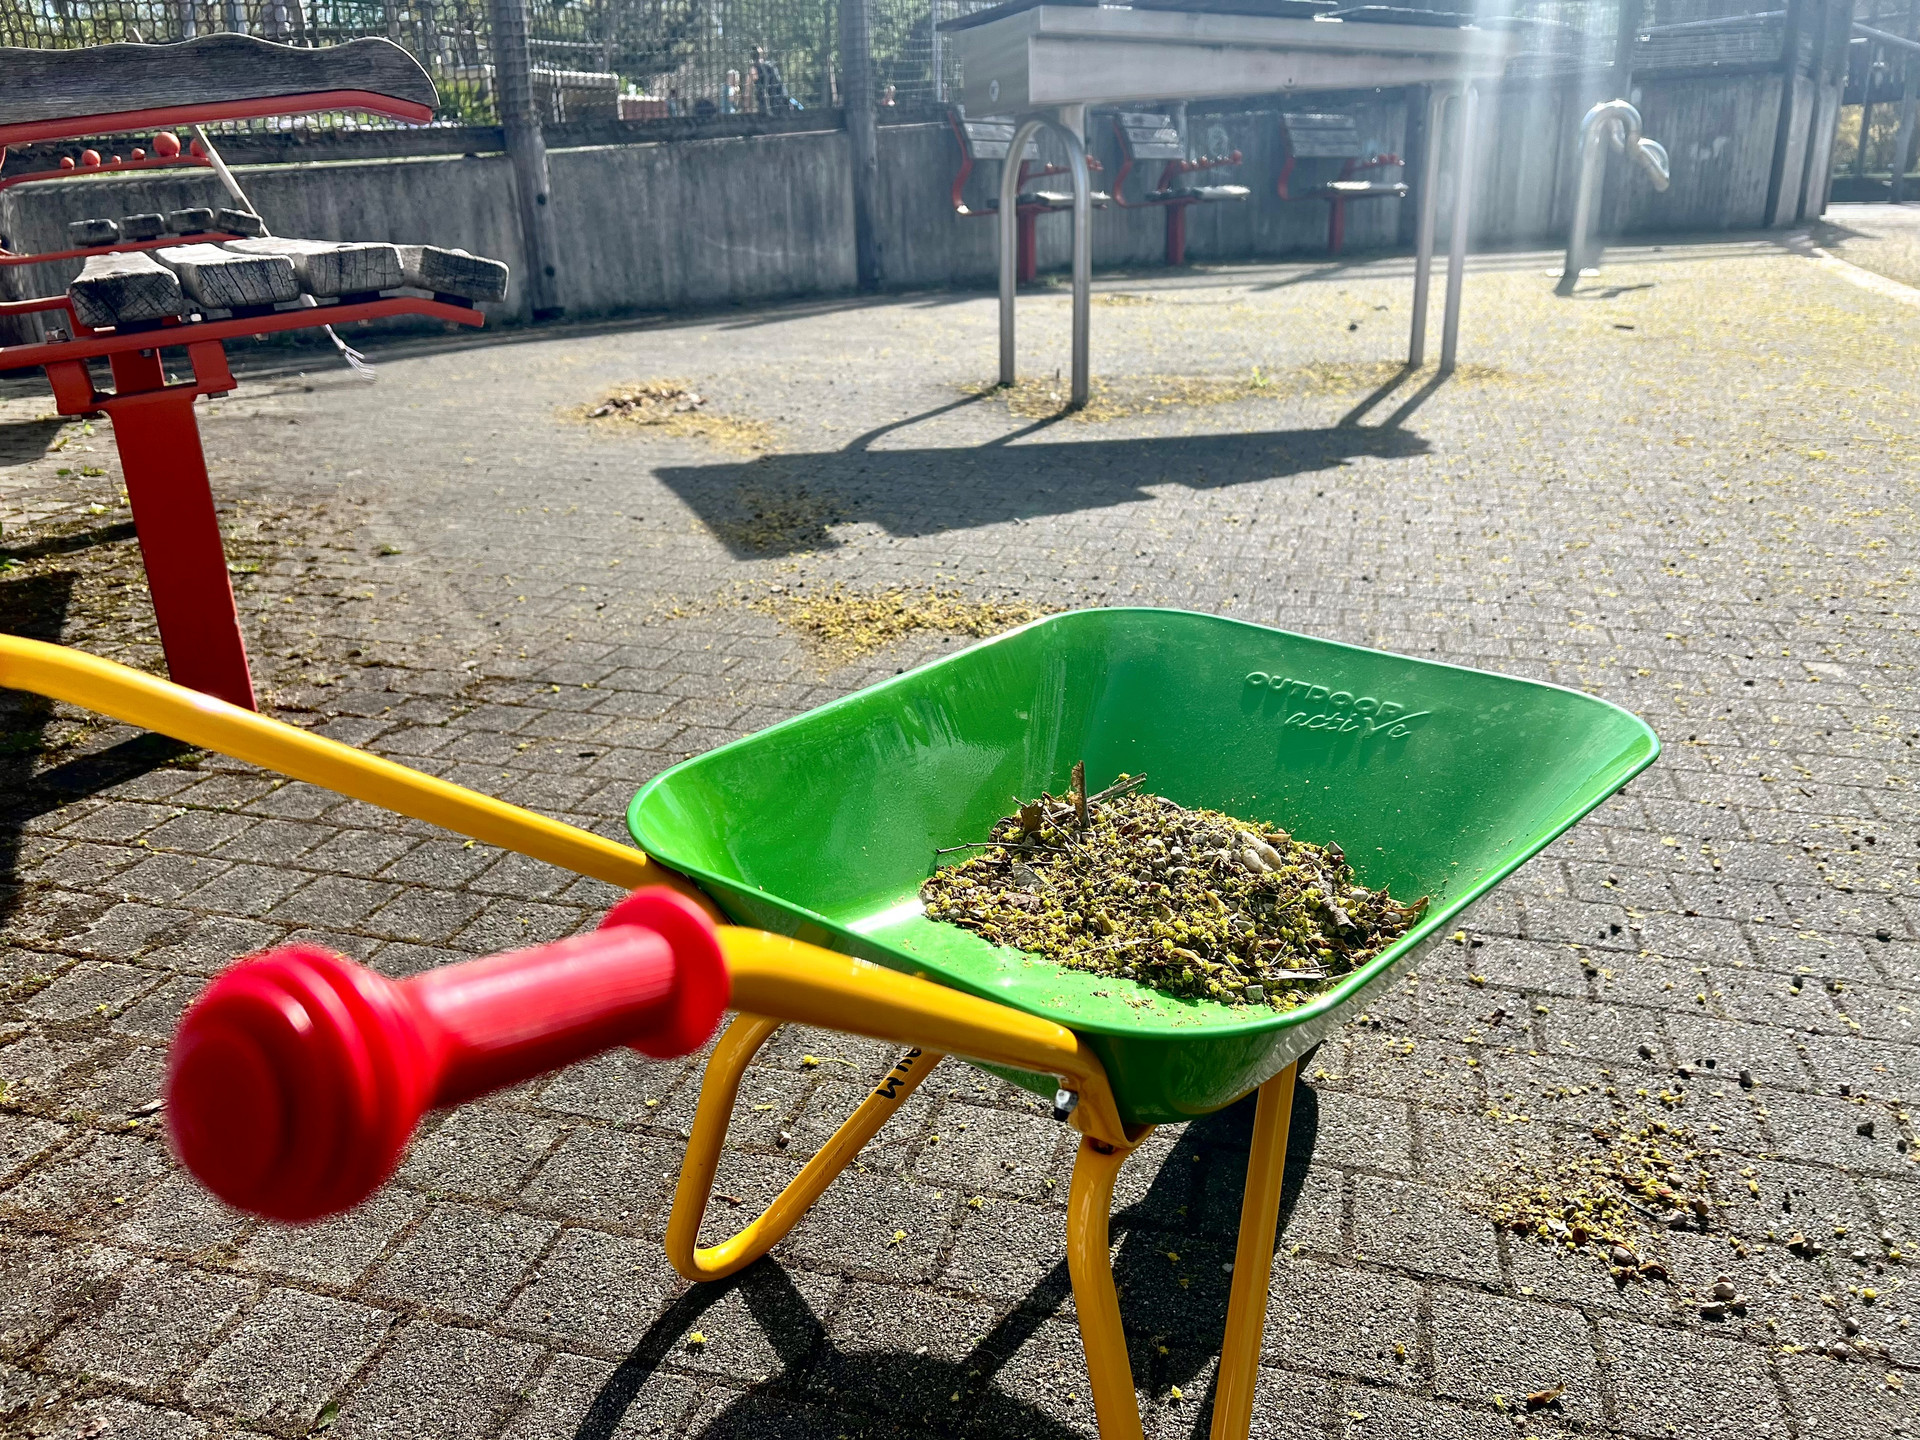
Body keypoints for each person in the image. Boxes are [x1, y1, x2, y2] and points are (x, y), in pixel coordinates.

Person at [750, 45, 790, 115]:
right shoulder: (754, 69)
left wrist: (785, 99)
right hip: (765, 106)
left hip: (776, 103)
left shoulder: (769, 67)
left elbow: (779, 84)